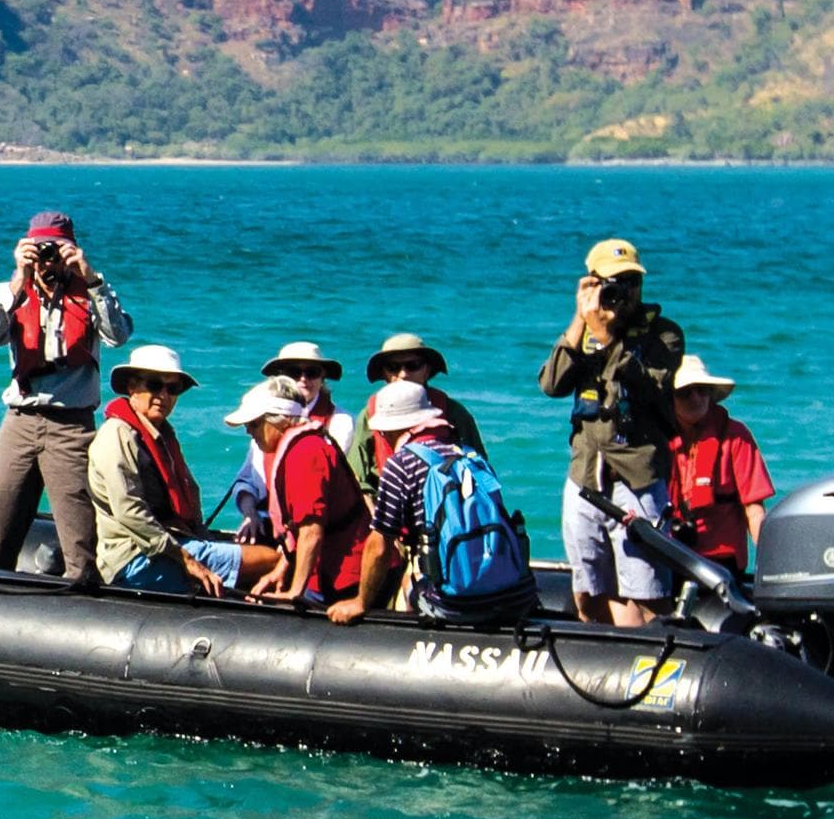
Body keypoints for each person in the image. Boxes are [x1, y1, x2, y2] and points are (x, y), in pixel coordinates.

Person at [0, 210, 132, 581]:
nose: (49, 259)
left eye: (56, 250)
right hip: (20, 422)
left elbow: (118, 334)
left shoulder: (92, 291)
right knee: (0, 517)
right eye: (40, 249)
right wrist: (18, 278)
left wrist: (90, 278)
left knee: (79, 528)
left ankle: (84, 595)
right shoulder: (12, 290)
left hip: (71, 426)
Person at [539, 238, 686, 627]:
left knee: (649, 592)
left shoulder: (665, 335)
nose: (626, 292)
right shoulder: (583, 332)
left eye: (633, 282)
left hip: (635, 478)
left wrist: (606, 338)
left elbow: (649, 387)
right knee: (588, 591)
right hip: (585, 475)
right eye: (615, 282)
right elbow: (551, 385)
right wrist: (580, 318)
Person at [330, 380, 538, 626]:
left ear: (390, 429)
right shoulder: (468, 453)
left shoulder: (402, 464)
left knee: (409, 582)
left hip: (453, 602)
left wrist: (361, 602)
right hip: (510, 592)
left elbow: (380, 544)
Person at [90, 345, 284, 595]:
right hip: (136, 558)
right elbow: (129, 512)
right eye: (154, 385)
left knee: (258, 551)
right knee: (272, 560)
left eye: (172, 389)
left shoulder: (162, 436)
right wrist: (188, 560)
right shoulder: (118, 435)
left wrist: (203, 542)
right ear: (132, 387)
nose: (163, 395)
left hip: (171, 546)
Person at [227, 382, 369, 609]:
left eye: (254, 424)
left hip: (344, 575)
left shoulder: (305, 453)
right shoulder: (299, 446)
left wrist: (295, 591)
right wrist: (281, 568)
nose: (248, 431)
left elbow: (311, 531)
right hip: (327, 568)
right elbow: (298, 529)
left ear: (279, 420)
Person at [665, 356, 775, 580]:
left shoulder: (736, 436)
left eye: (702, 390)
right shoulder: (656, 438)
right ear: (669, 398)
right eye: (685, 392)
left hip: (721, 560)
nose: (695, 398)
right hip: (667, 553)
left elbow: (754, 510)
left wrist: (772, 561)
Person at [228, 342, 355, 532]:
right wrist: (250, 514)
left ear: (323, 378)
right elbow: (245, 482)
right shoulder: (265, 422)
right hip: (266, 521)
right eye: (294, 372)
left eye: (311, 372)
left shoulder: (341, 422)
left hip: (313, 526)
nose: (303, 379)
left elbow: (320, 491)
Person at [344, 333, 487, 493]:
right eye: (393, 367)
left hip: (442, 502)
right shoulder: (370, 415)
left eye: (412, 365)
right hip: (386, 504)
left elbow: (478, 467)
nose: (403, 374)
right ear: (384, 373)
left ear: (427, 370)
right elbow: (357, 477)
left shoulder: (453, 412)